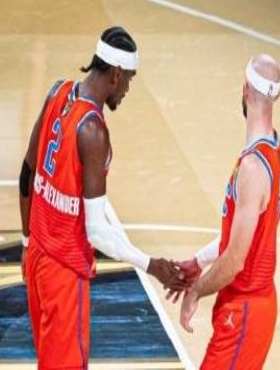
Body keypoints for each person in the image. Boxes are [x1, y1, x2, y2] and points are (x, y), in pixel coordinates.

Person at [18, 26, 183, 370]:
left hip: (37, 258)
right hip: (64, 272)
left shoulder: (58, 92)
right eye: (129, 81)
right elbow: (95, 231)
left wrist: (26, 242)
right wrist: (150, 264)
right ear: (116, 74)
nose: (127, 90)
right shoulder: (92, 131)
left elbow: (27, 172)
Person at [172, 54, 280, 369]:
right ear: (276, 96)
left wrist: (196, 291)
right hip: (254, 306)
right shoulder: (277, 150)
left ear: (245, 88)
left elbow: (235, 260)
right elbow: (245, 238)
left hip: (245, 311)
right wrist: (200, 260)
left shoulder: (252, 168)